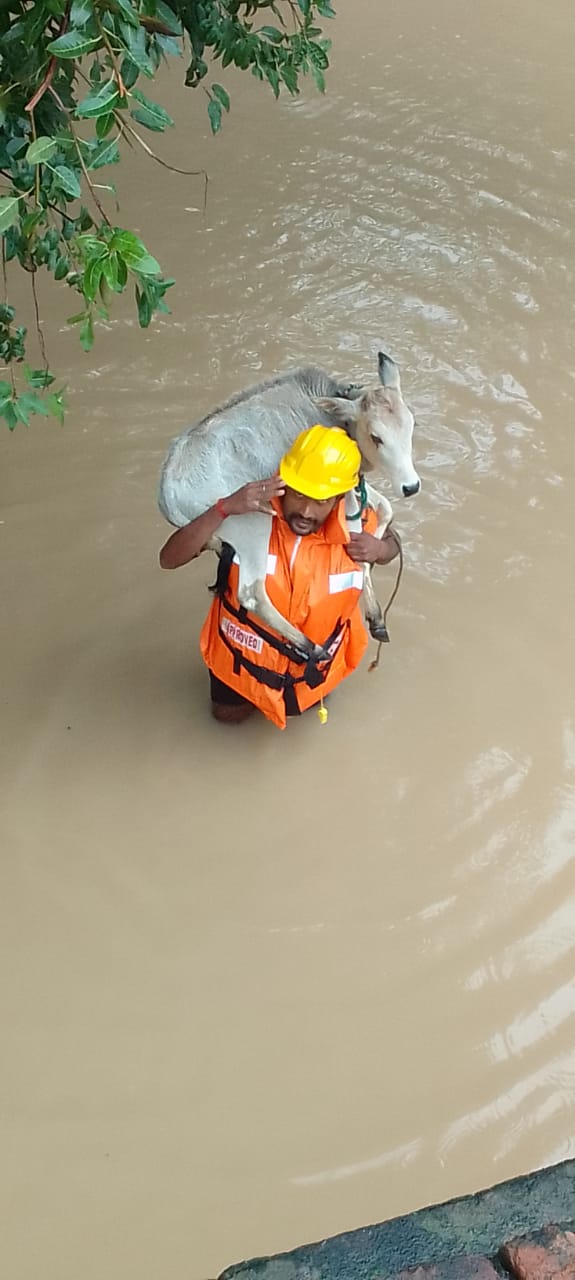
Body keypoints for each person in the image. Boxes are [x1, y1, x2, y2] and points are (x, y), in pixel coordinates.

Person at [159, 425, 400, 729]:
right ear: (284, 482)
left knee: (310, 720)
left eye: (321, 501)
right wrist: (223, 509)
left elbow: (393, 545)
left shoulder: (361, 521)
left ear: (340, 498)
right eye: (298, 495)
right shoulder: (245, 516)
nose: (306, 512)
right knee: (226, 719)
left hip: (316, 671)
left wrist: (379, 548)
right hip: (239, 664)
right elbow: (168, 559)